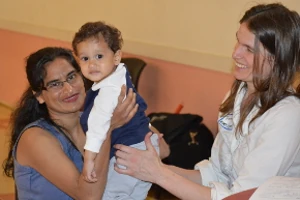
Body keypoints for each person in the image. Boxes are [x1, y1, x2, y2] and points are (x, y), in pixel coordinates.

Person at [114, 3, 300, 200]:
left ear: (278, 59)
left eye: (249, 49)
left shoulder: (287, 116)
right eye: (238, 42)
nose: (235, 53)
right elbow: (216, 174)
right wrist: (154, 167)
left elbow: (238, 197)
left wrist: (158, 174)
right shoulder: (237, 95)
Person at [2, 47, 138, 200]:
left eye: (72, 76)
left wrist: (132, 115)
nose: (69, 89)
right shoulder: (35, 138)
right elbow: (89, 196)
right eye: (55, 84)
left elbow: (163, 150)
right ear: (39, 95)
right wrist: (108, 128)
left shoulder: (90, 120)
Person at [71, 21, 159, 199]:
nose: (92, 64)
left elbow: (98, 129)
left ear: (117, 57)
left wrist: (89, 161)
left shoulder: (108, 90)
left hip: (130, 151)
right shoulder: (119, 72)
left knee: (111, 195)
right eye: (85, 58)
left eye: (99, 56)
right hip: (144, 144)